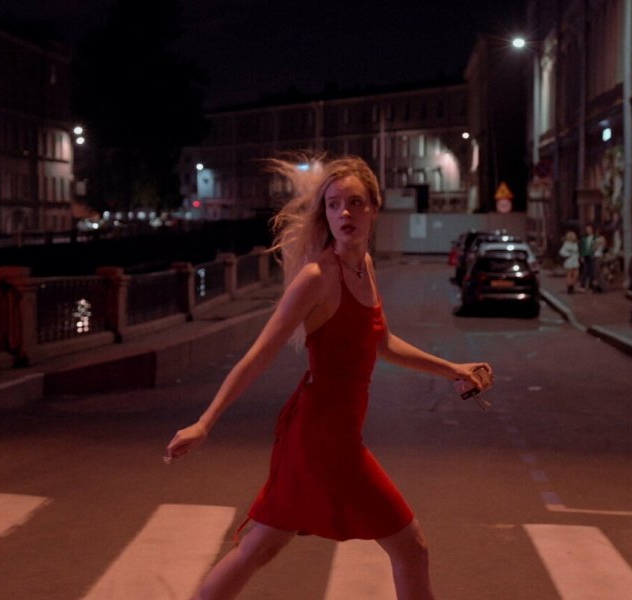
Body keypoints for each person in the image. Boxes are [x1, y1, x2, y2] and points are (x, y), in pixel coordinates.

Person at [165, 154, 493, 600]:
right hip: (324, 439)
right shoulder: (317, 277)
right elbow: (259, 356)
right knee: (411, 546)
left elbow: (381, 343)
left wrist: (451, 368)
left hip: (335, 433)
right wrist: (206, 422)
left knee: (260, 548)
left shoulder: (365, 266)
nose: (344, 214)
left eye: (355, 203)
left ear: (374, 207)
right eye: (334, 204)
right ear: (325, 213)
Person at [579, 224, 596, 291]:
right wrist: (582, 256)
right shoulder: (584, 238)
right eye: (587, 229)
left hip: (593, 256)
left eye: (589, 229)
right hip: (586, 256)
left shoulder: (595, 238)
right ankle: (582, 285)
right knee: (585, 270)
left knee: (592, 271)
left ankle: (591, 285)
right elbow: (582, 248)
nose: (588, 230)